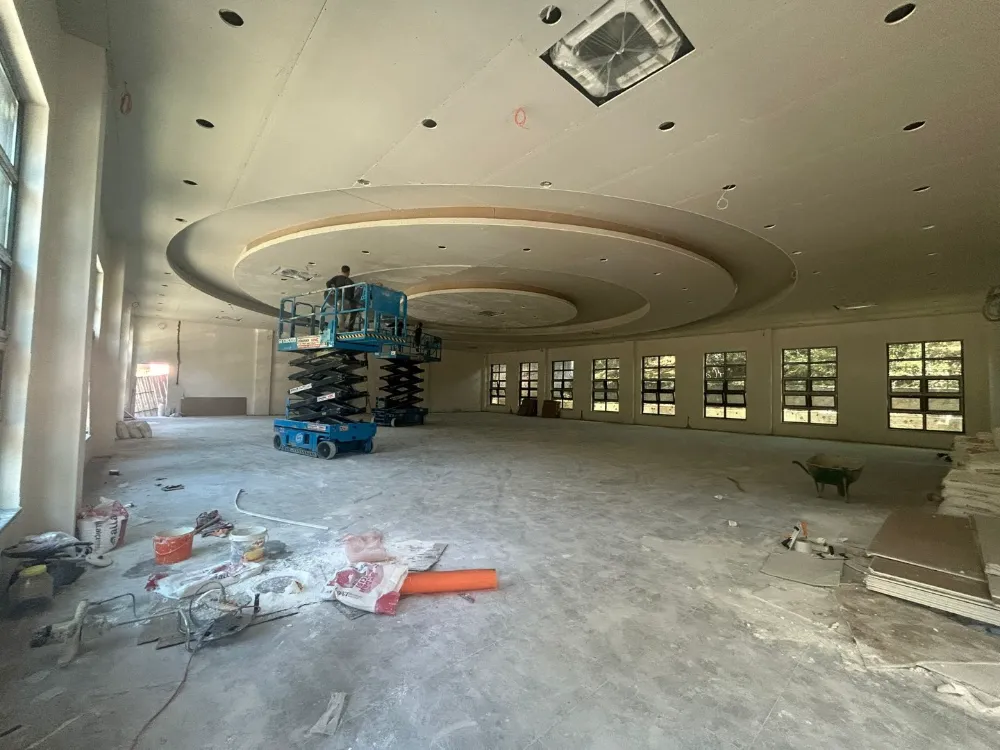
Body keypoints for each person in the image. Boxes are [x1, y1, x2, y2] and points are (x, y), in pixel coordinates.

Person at [326, 265, 358, 331]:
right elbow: (350, 296)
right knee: (354, 309)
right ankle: (349, 328)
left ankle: (341, 328)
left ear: (341, 271)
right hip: (342, 301)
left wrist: (333, 288)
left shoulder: (336, 278)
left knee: (339, 314)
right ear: (348, 272)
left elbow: (328, 283)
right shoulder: (350, 282)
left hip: (332, 300)